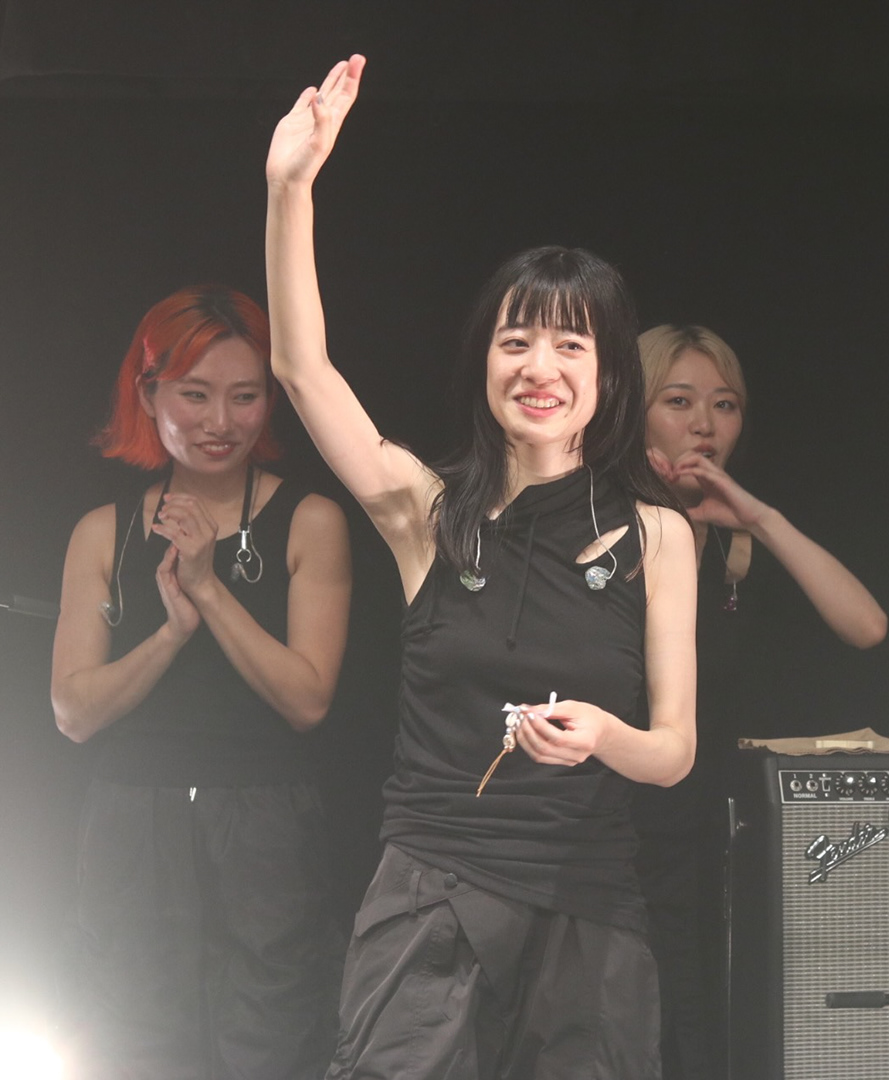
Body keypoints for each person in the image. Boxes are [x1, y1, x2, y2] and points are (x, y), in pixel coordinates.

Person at [263, 56, 697, 1080]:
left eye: (571, 348)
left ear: (608, 377)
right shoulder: (427, 511)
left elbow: (675, 750)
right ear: (487, 360)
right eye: (516, 342)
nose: (539, 368)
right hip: (431, 895)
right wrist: (290, 189)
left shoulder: (657, 534)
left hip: (586, 905)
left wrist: (604, 735)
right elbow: (301, 369)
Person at [49, 284, 353, 1080]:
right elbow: (73, 711)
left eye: (245, 396)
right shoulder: (103, 531)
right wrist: (170, 633)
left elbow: (308, 700)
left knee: (273, 1039)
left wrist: (210, 590)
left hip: (266, 819)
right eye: (195, 395)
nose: (221, 421)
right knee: (131, 1045)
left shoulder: (311, 520)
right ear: (148, 394)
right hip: (131, 816)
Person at [634, 323, 887, 1079]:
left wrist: (760, 521)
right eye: (678, 402)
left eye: (725, 405)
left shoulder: (733, 542)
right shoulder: (600, 526)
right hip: (616, 834)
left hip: (711, 834)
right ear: (632, 411)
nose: (704, 426)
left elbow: (868, 626)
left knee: (711, 1032)